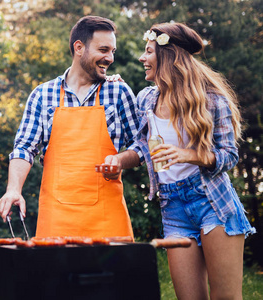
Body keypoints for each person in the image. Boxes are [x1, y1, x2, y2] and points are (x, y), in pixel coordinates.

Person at [106, 22, 255, 299]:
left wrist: (189, 155)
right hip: (173, 207)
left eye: (148, 52)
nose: (142, 58)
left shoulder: (211, 100)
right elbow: (143, 147)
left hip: (212, 203)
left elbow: (228, 156)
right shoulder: (147, 99)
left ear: (168, 56)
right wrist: (118, 160)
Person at [0, 16, 141, 238]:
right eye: (103, 49)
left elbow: (142, 147)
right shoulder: (43, 95)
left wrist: (121, 160)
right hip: (56, 221)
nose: (110, 58)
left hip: (107, 222)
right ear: (79, 47)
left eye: (113, 51)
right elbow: (24, 148)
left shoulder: (119, 93)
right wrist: (14, 189)